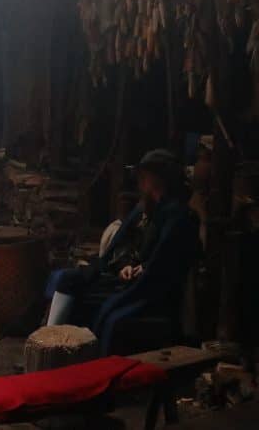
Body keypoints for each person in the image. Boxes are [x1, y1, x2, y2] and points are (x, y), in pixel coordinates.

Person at [45, 149, 200, 353]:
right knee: (65, 278)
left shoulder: (178, 216)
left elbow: (165, 264)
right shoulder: (145, 207)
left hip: (147, 288)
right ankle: (48, 344)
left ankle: (59, 351)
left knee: (87, 297)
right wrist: (124, 264)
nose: (140, 183)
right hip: (123, 275)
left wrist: (141, 269)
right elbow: (121, 246)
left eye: (144, 177)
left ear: (156, 180)